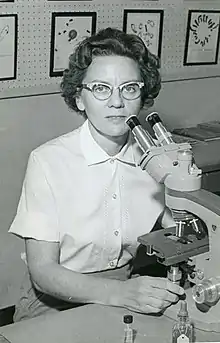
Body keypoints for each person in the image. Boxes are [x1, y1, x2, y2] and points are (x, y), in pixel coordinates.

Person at [9, 27, 184, 321]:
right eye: (101, 88)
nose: (117, 102)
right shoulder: (48, 161)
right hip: (55, 300)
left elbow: (182, 229)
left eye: (129, 88)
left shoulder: (156, 159)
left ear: (143, 95)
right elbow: (43, 273)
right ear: (79, 99)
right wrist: (122, 294)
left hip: (128, 292)